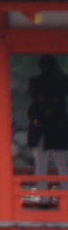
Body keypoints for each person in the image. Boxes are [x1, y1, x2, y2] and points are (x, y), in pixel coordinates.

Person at [27, 55, 68, 186]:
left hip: (39, 123)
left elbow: (31, 95)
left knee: (41, 164)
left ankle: (43, 197)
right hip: (59, 123)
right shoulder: (63, 80)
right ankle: (66, 194)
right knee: (63, 163)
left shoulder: (35, 81)